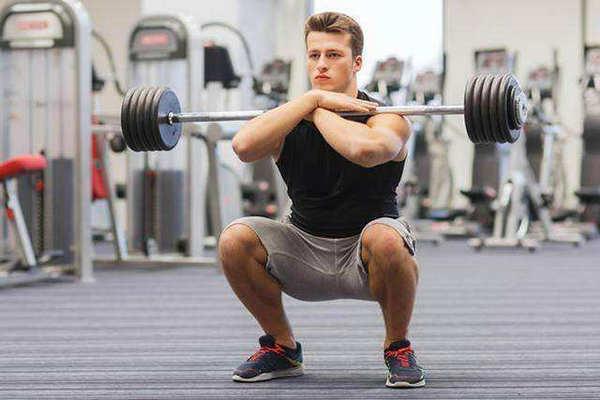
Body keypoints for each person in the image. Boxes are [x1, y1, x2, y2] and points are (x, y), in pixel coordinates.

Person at [219, 11, 425, 389]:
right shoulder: (291, 117)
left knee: (386, 237)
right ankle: (282, 347)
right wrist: (313, 100)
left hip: (366, 255)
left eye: (333, 55)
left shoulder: (387, 117)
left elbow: (365, 151)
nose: (321, 64)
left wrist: (316, 108)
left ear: (356, 62)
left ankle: (398, 347)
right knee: (235, 238)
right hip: (303, 249)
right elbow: (243, 147)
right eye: (314, 55)